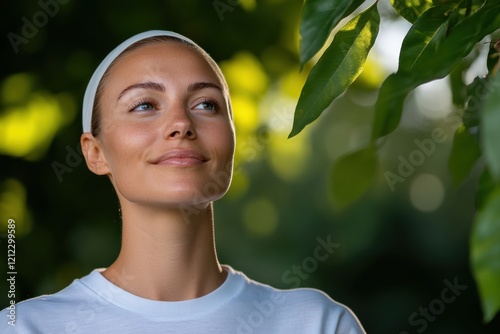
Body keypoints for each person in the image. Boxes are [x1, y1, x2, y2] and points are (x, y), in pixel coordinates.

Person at [0, 30, 365, 333]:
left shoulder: (315, 324)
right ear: (95, 153)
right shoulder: (27, 328)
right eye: (144, 105)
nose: (181, 124)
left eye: (206, 104)